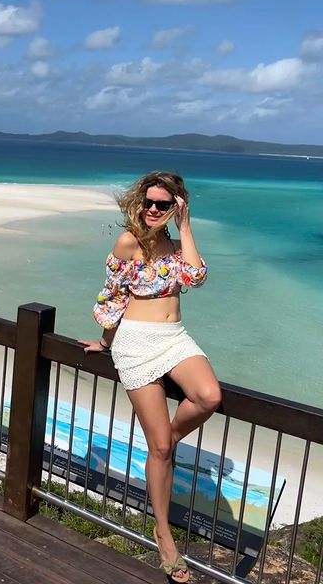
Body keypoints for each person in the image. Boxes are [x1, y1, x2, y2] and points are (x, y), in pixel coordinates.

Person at [79, 171, 221, 583]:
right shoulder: (129, 243)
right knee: (159, 448)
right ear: (141, 205)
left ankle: (165, 444)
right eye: (150, 203)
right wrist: (106, 342)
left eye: (165, 203)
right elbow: (113, 295)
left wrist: (187, 227)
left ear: (178, 205)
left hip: (175, 338)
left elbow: (197, 277)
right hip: (136, 343)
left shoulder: (177, 247)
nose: (154, 210)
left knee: (208, 397)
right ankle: (164, 535)